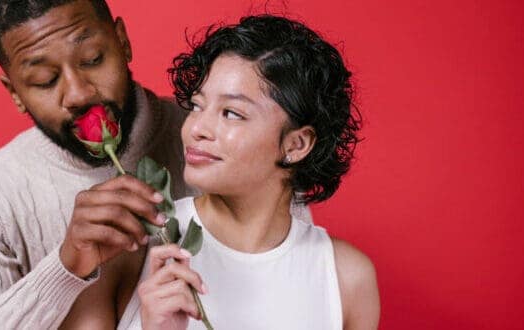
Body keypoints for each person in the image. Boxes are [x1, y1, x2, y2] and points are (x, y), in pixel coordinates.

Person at [0, 1, 310, 329]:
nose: (79, 93)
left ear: (123, 41)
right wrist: (65, 267)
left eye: (93, 60)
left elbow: (301, 292)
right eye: (44, 80)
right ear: (15, 92)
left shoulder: (233, 142)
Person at [68, 15, 380, 329]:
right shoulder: (131, 246)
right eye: (197, 105)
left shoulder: (346, 279)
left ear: (296, 144)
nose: (196, 129)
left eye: (231, 113)